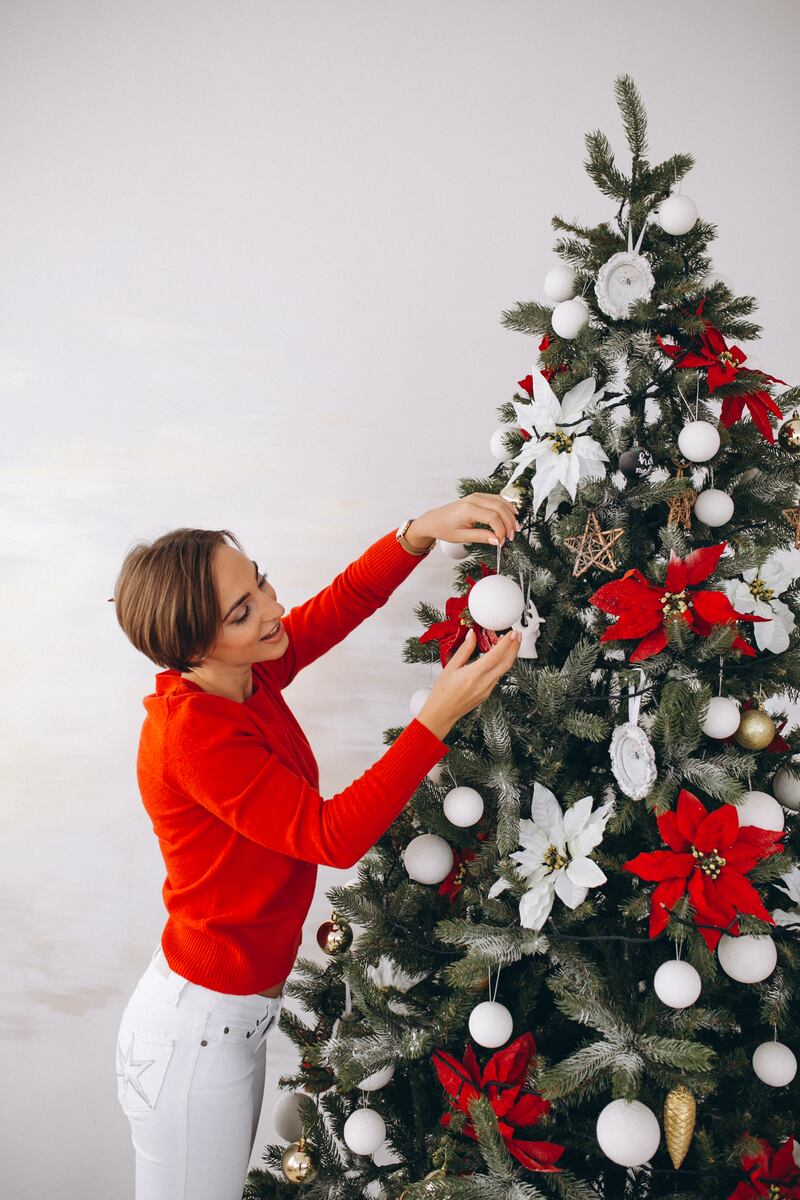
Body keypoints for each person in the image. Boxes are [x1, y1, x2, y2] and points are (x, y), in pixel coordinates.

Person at [110, 494, 522, 1200]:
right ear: (189, 647)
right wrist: (437, 718)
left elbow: (339, 604)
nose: (270, 609)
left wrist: (416, 532)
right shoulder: (194, 735)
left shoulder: (244, 675)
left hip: (221, 1027)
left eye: (260, 583)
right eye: (240, 613)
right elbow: (330, 836)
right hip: (194, 1040)